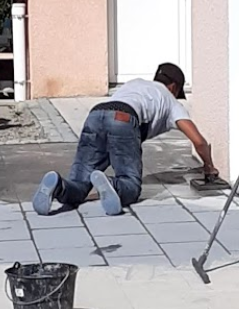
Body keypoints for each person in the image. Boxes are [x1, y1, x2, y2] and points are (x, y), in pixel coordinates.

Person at [32, 63, 218, 216]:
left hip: (96, 115)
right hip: (124, 119)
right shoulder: (170, 100)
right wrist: (209, 166)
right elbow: (198, 141)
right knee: (131, 185)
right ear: (174, 87)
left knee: (79, 183)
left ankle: (58, 185)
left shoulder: (136, 83)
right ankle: (112, 184)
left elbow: (113, 110)